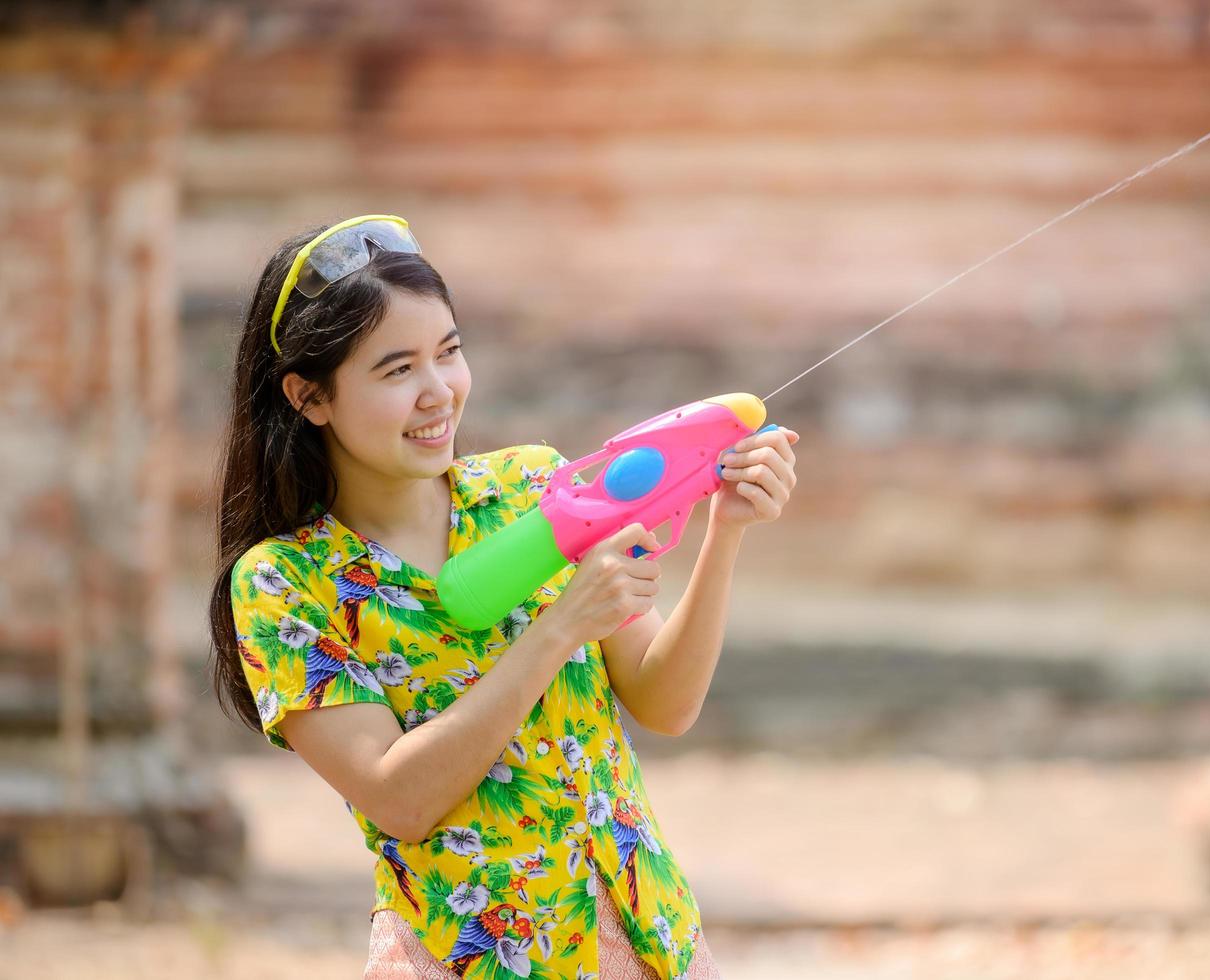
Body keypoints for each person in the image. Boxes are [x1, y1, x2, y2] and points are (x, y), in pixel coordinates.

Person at [206, 215, 800, 979]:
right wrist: (556, 631)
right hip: (470, 958)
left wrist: (727, 534)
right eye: (397, 371)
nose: (438, 393)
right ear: (309, 396)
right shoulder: (286, 581)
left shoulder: (532, 490)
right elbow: (400, 799)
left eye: (448, 354)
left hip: (646, 934)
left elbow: (663, 702)